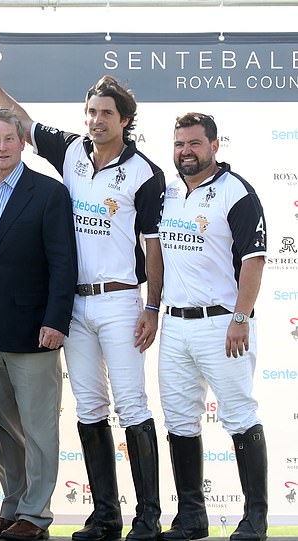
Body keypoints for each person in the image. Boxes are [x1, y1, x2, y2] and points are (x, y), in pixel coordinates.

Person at [0, 45, 165, 541]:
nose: (97, 121)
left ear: (125, 120)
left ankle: (148, 516)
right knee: (91, 408)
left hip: (121, 300)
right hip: (75, 304)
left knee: (133, 407)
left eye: (106, 114)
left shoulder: (146, 173)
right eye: (92, 112)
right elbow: (19, 119)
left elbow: (154, 247)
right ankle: (104, 517)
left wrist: (153, 305)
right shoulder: (72, 151)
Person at [158, 113, 268, 541]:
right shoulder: (166, 193)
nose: (186, 151)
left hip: (223, 324)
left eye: (195, 144)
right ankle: (191, 518)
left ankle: (255, 518)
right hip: (175, 325)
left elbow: (253, 261)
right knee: (181, 422)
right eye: (179, 143)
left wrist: (241, 317)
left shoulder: (236, 192)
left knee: (240, 417)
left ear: (215, 145)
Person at [0, 108, 77, 541]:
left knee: (37, 427)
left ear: (22, 142)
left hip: (35, 331)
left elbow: (63, 263)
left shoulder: (50, 193)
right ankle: (12, 506)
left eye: (8, 139)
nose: (1, 147)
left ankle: (35, 515)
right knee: (1, 432)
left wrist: (56, 320)